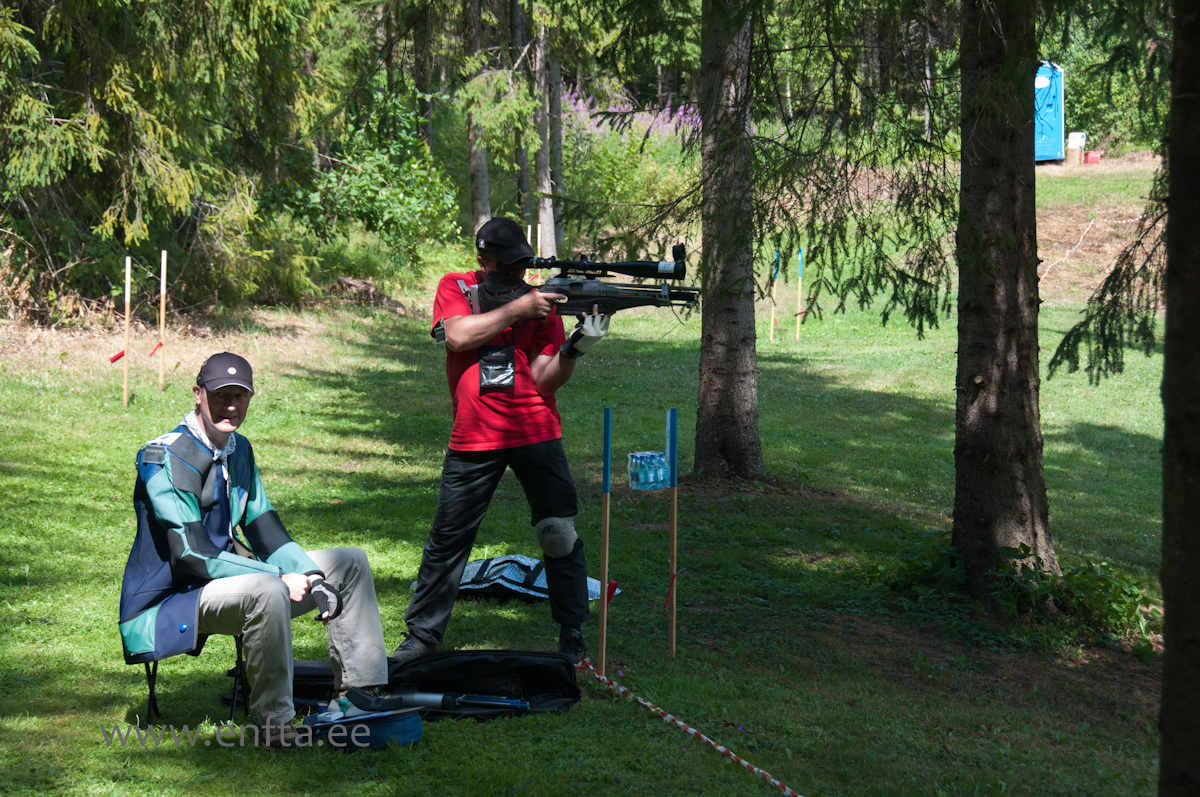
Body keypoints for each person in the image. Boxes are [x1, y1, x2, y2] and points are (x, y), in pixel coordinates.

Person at [118, 352, 389, 747]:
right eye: (220, 395)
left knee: (349, 562)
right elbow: (192, 554)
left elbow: (266, 532)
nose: (231, 406)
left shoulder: (238, 449)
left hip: (227, 585)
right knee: (270, 589)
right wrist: (279, 576)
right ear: (198, 393)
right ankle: (275, 725)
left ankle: (360, 695)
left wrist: (311, 576)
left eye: (239, 396)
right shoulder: (162, 457)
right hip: (168, 601)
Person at [393, 217, 609, 667]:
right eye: (507, 266)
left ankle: (571, 631)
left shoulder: (540, 303)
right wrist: (518, 309)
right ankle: (421, 636)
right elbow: (456, 336)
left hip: (536, 429)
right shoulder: (456, 285)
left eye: (521, 265)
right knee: (450, 539)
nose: (516, 273)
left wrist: (576, 346)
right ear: (482, 260)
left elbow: (545, 380)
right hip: (475, 434)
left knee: (557, 533)